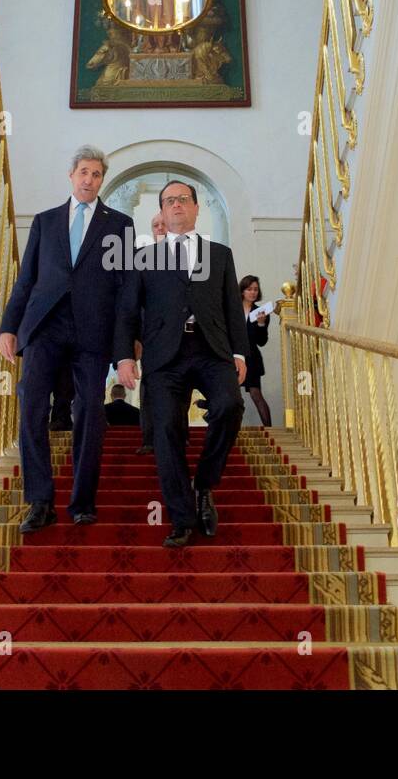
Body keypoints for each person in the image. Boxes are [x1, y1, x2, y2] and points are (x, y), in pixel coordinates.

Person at [0, 146, 134, 531]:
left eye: (96, 175)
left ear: (101, 181)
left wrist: (125, 345)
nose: (89, 180)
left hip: (93, 331)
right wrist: (9, 326)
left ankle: (82, 502)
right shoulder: (45, 221)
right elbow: (26, 279)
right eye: (84, 172)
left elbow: (125, 288)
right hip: (45, 327)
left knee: (90, 412)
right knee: (30, 404)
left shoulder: (119, 224)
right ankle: (39, 502)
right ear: (71, 175)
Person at [115, 180, 248, 547]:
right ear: (161, 211)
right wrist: (125, 356)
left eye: (183, 200)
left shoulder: (219, 254)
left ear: (196, 208)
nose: (177, 206)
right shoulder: (143, 258)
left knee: (229, 405)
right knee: (167, 433)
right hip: (164, 356)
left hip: (211, 350)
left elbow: (232, 307)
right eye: (169, 201)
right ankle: (182, 518)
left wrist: (239, 352)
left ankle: (204, 482)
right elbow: (126, 312)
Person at [136, 211, 166, 455]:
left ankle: (179, 433)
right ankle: (148, 438)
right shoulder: (141, 258)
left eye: (163, 224)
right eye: (155, 225)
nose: (160, 228)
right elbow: (133, 302)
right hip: (149, 335)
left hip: (181, 334)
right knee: (148, 385)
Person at [240, 275, 273, 427]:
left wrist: (261, 324)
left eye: (255, 289)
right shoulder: (232, 309)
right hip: (232, 357)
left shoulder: (261, 312)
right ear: (242, 291)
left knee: (256, 394)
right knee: (229, 396)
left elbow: (262, 341)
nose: (252, 292)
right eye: (249, 289)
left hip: (252, 358)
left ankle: (270, 431)